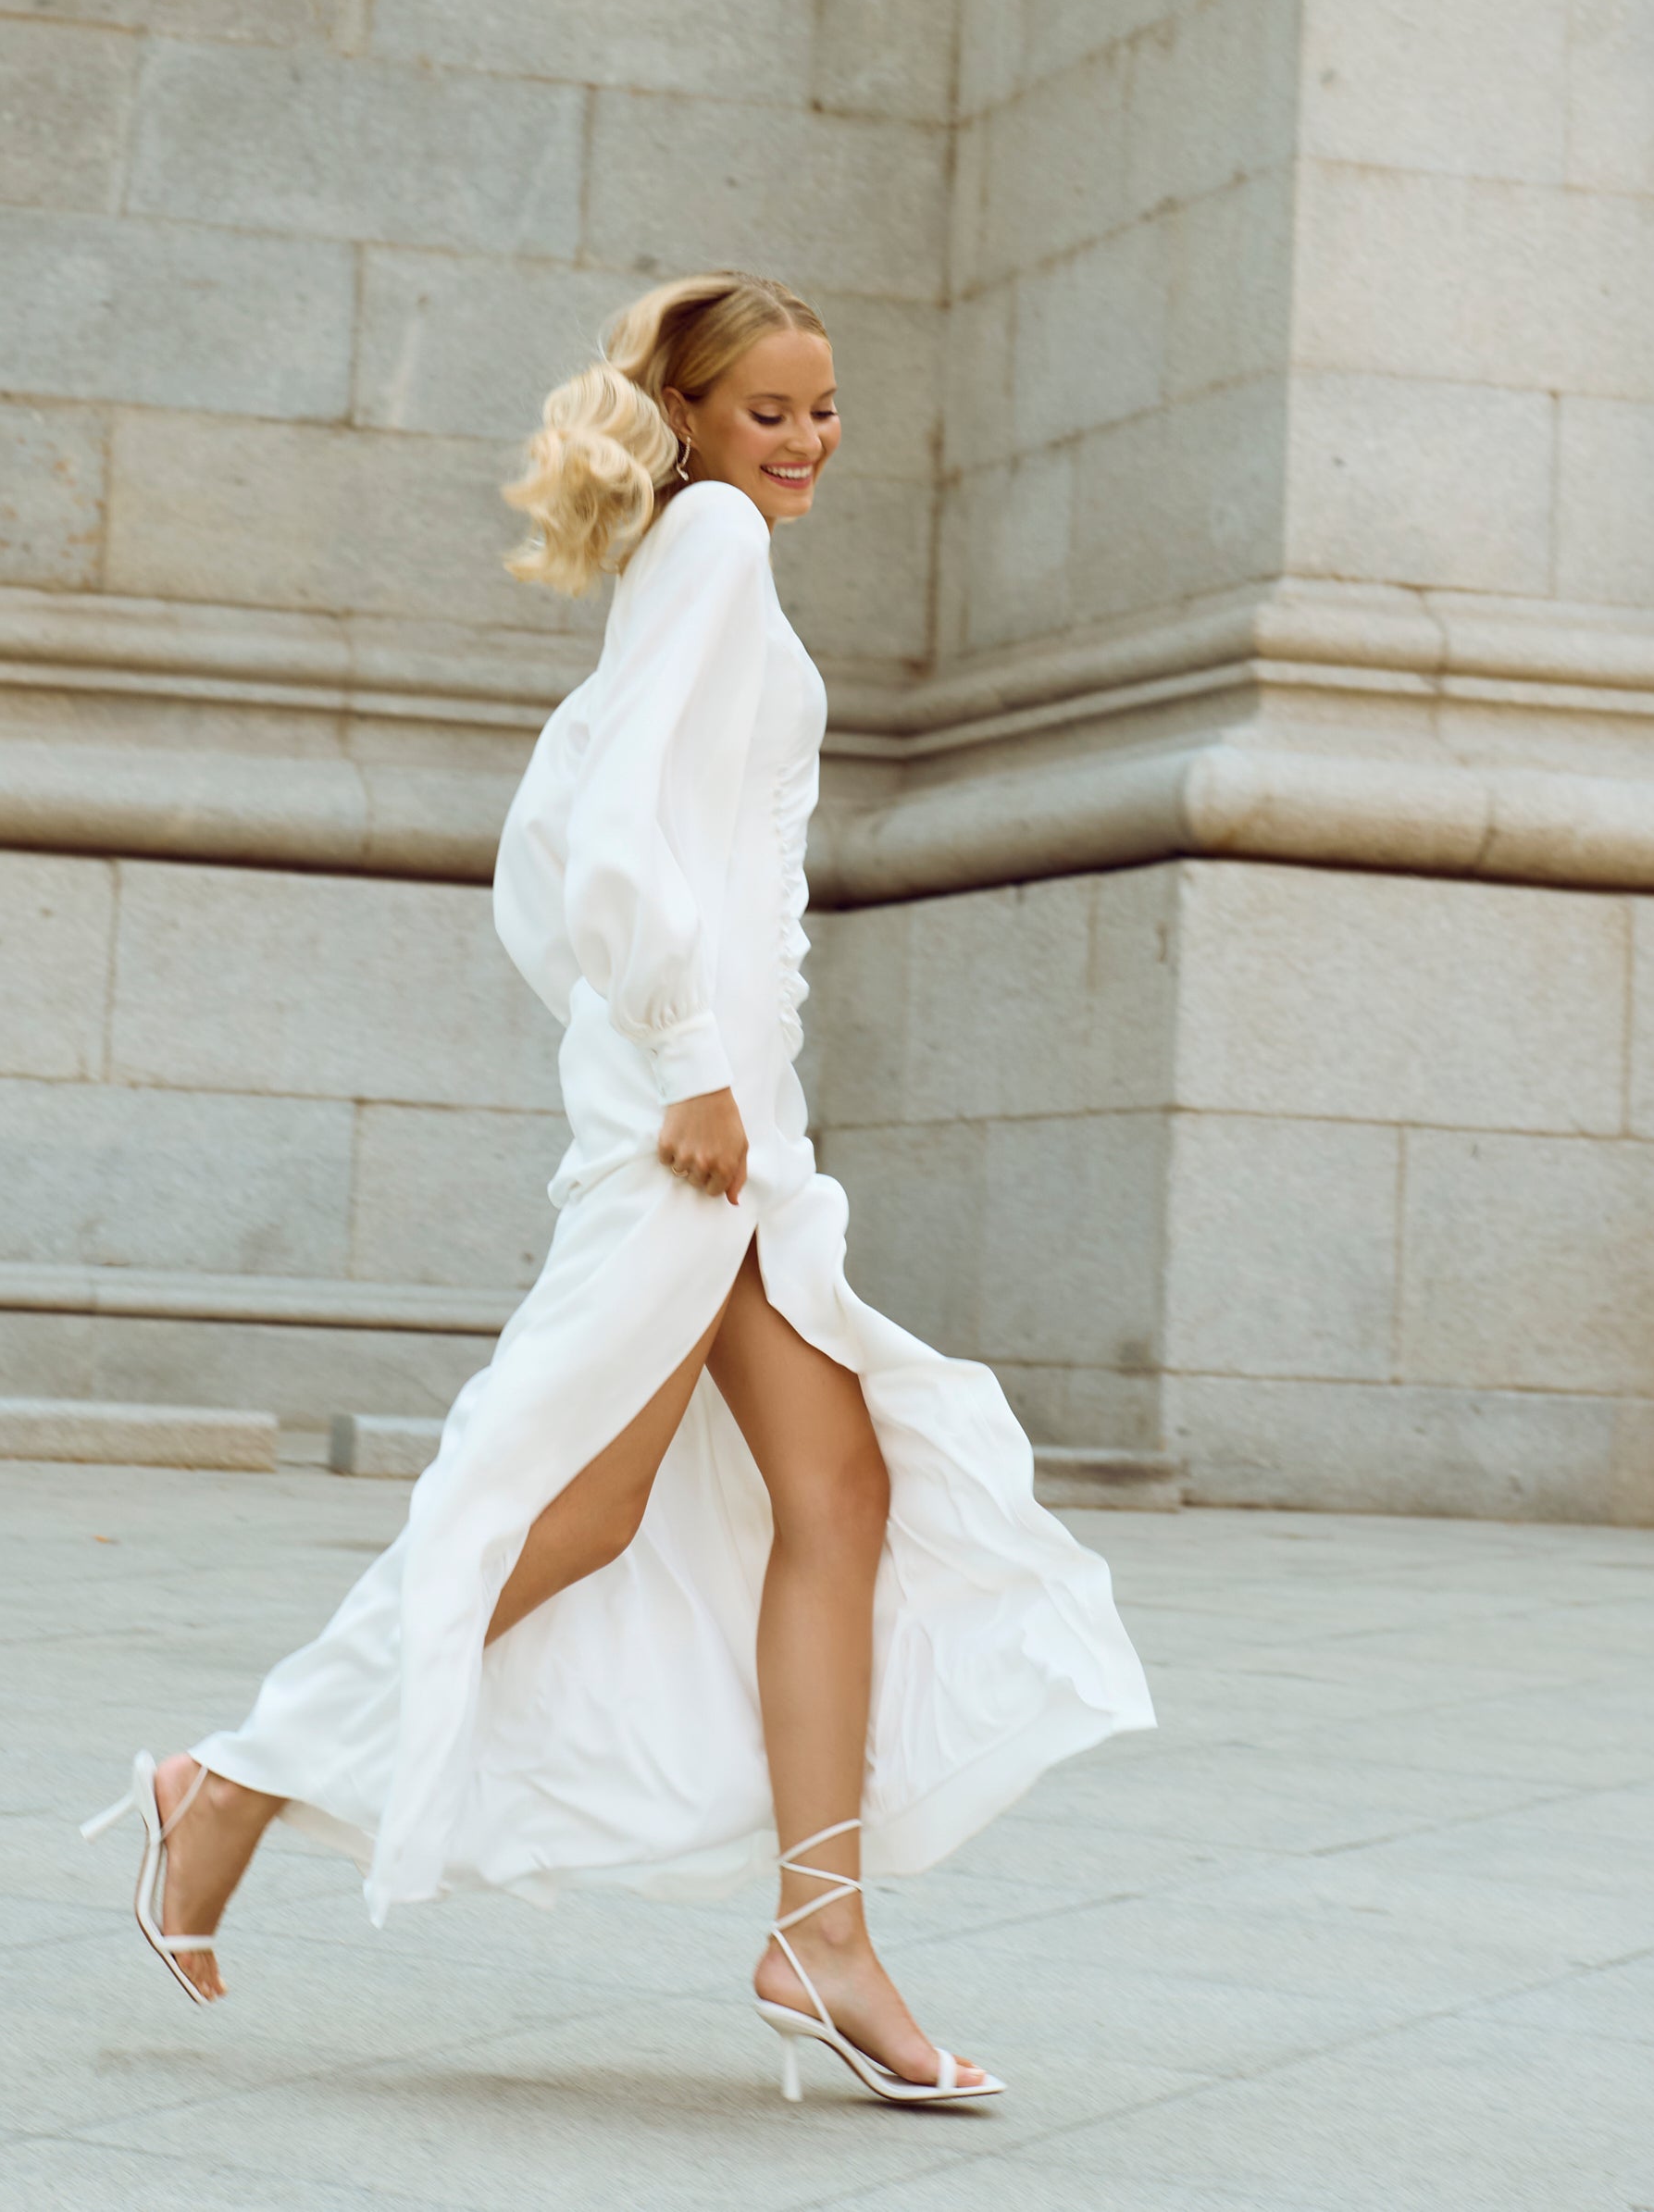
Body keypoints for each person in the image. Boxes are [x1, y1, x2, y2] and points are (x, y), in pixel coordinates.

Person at [89, 269, 1153, 2106]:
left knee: (834, 1486)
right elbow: (598, 850)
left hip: (735, 1124)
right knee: (560, 1509)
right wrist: (682, 1061)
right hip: (700, 1127)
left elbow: (569, 840)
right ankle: (230, 1783)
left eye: (824, 409)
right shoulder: (717, 545)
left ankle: (816, 1933)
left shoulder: (705, 552)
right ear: (692, 425)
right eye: (769, 414)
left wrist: (714, 1074)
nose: (804, 442)